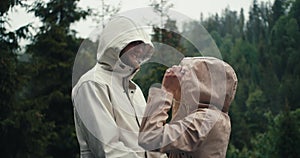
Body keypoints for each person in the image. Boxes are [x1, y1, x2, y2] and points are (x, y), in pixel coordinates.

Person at [72, 16, 166, 158]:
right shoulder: (92, 84)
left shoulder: (135, 90)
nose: (140, 50)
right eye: (135, 43)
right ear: (115, 44)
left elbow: (150, 144)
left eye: (143, 45)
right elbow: (109, 150)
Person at [138, 57, 238, 158]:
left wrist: (166, 91)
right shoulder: (208, 116)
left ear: (202, 85)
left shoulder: (207, 119)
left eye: (186, 75)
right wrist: (177, 94)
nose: (181, 80)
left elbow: (150, 138)